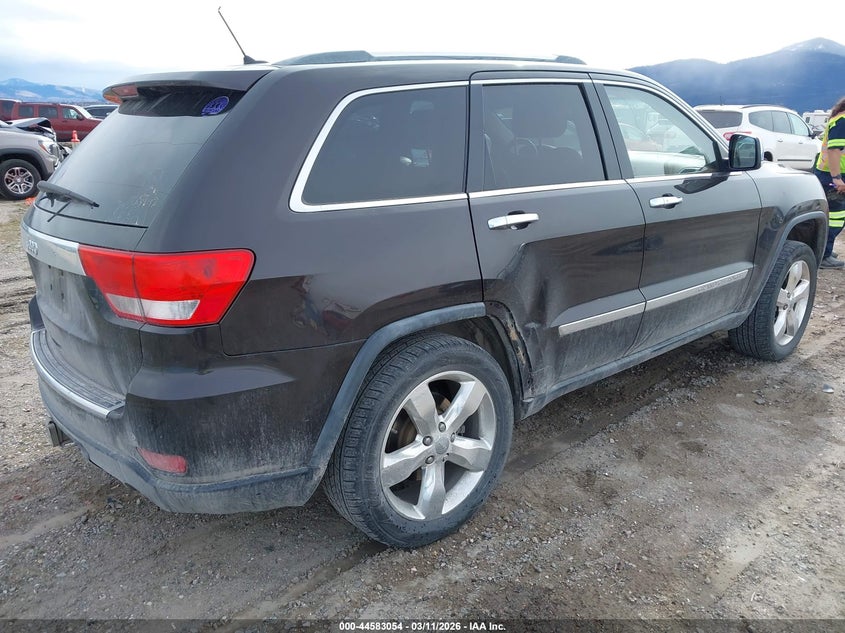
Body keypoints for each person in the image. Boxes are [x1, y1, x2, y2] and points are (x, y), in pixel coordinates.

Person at [814, 96, 845, 268]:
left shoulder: (839, 118)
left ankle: (825, 248)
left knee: (833, 215)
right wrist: (837, 178)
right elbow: (834, 150)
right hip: (833, 175)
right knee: (836, 217)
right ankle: (824, 254)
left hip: (831, 174)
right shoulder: (843, 121)